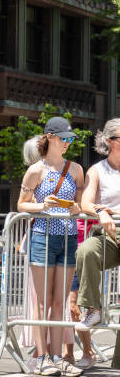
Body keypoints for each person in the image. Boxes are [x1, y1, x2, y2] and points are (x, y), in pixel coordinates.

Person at [17, 117, 84, 377]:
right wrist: (42, 206)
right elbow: (22, 205)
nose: (67, 143)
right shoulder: (36, 170)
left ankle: (59, 356)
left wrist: (77, 208)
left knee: (60, 301)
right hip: (42, 236)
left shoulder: (76, 169)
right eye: (63, 138)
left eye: (69, 139)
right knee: (42, 301)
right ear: (50, 137)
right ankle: (42, 356)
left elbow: (79, 206)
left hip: (67, 238)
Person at [75, 118, 120, 340]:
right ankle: (93, 309)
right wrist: (100, 212)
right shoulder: (97, 170)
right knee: (86, 251)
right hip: (110, 233)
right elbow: (85, 203)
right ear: (112, 141)